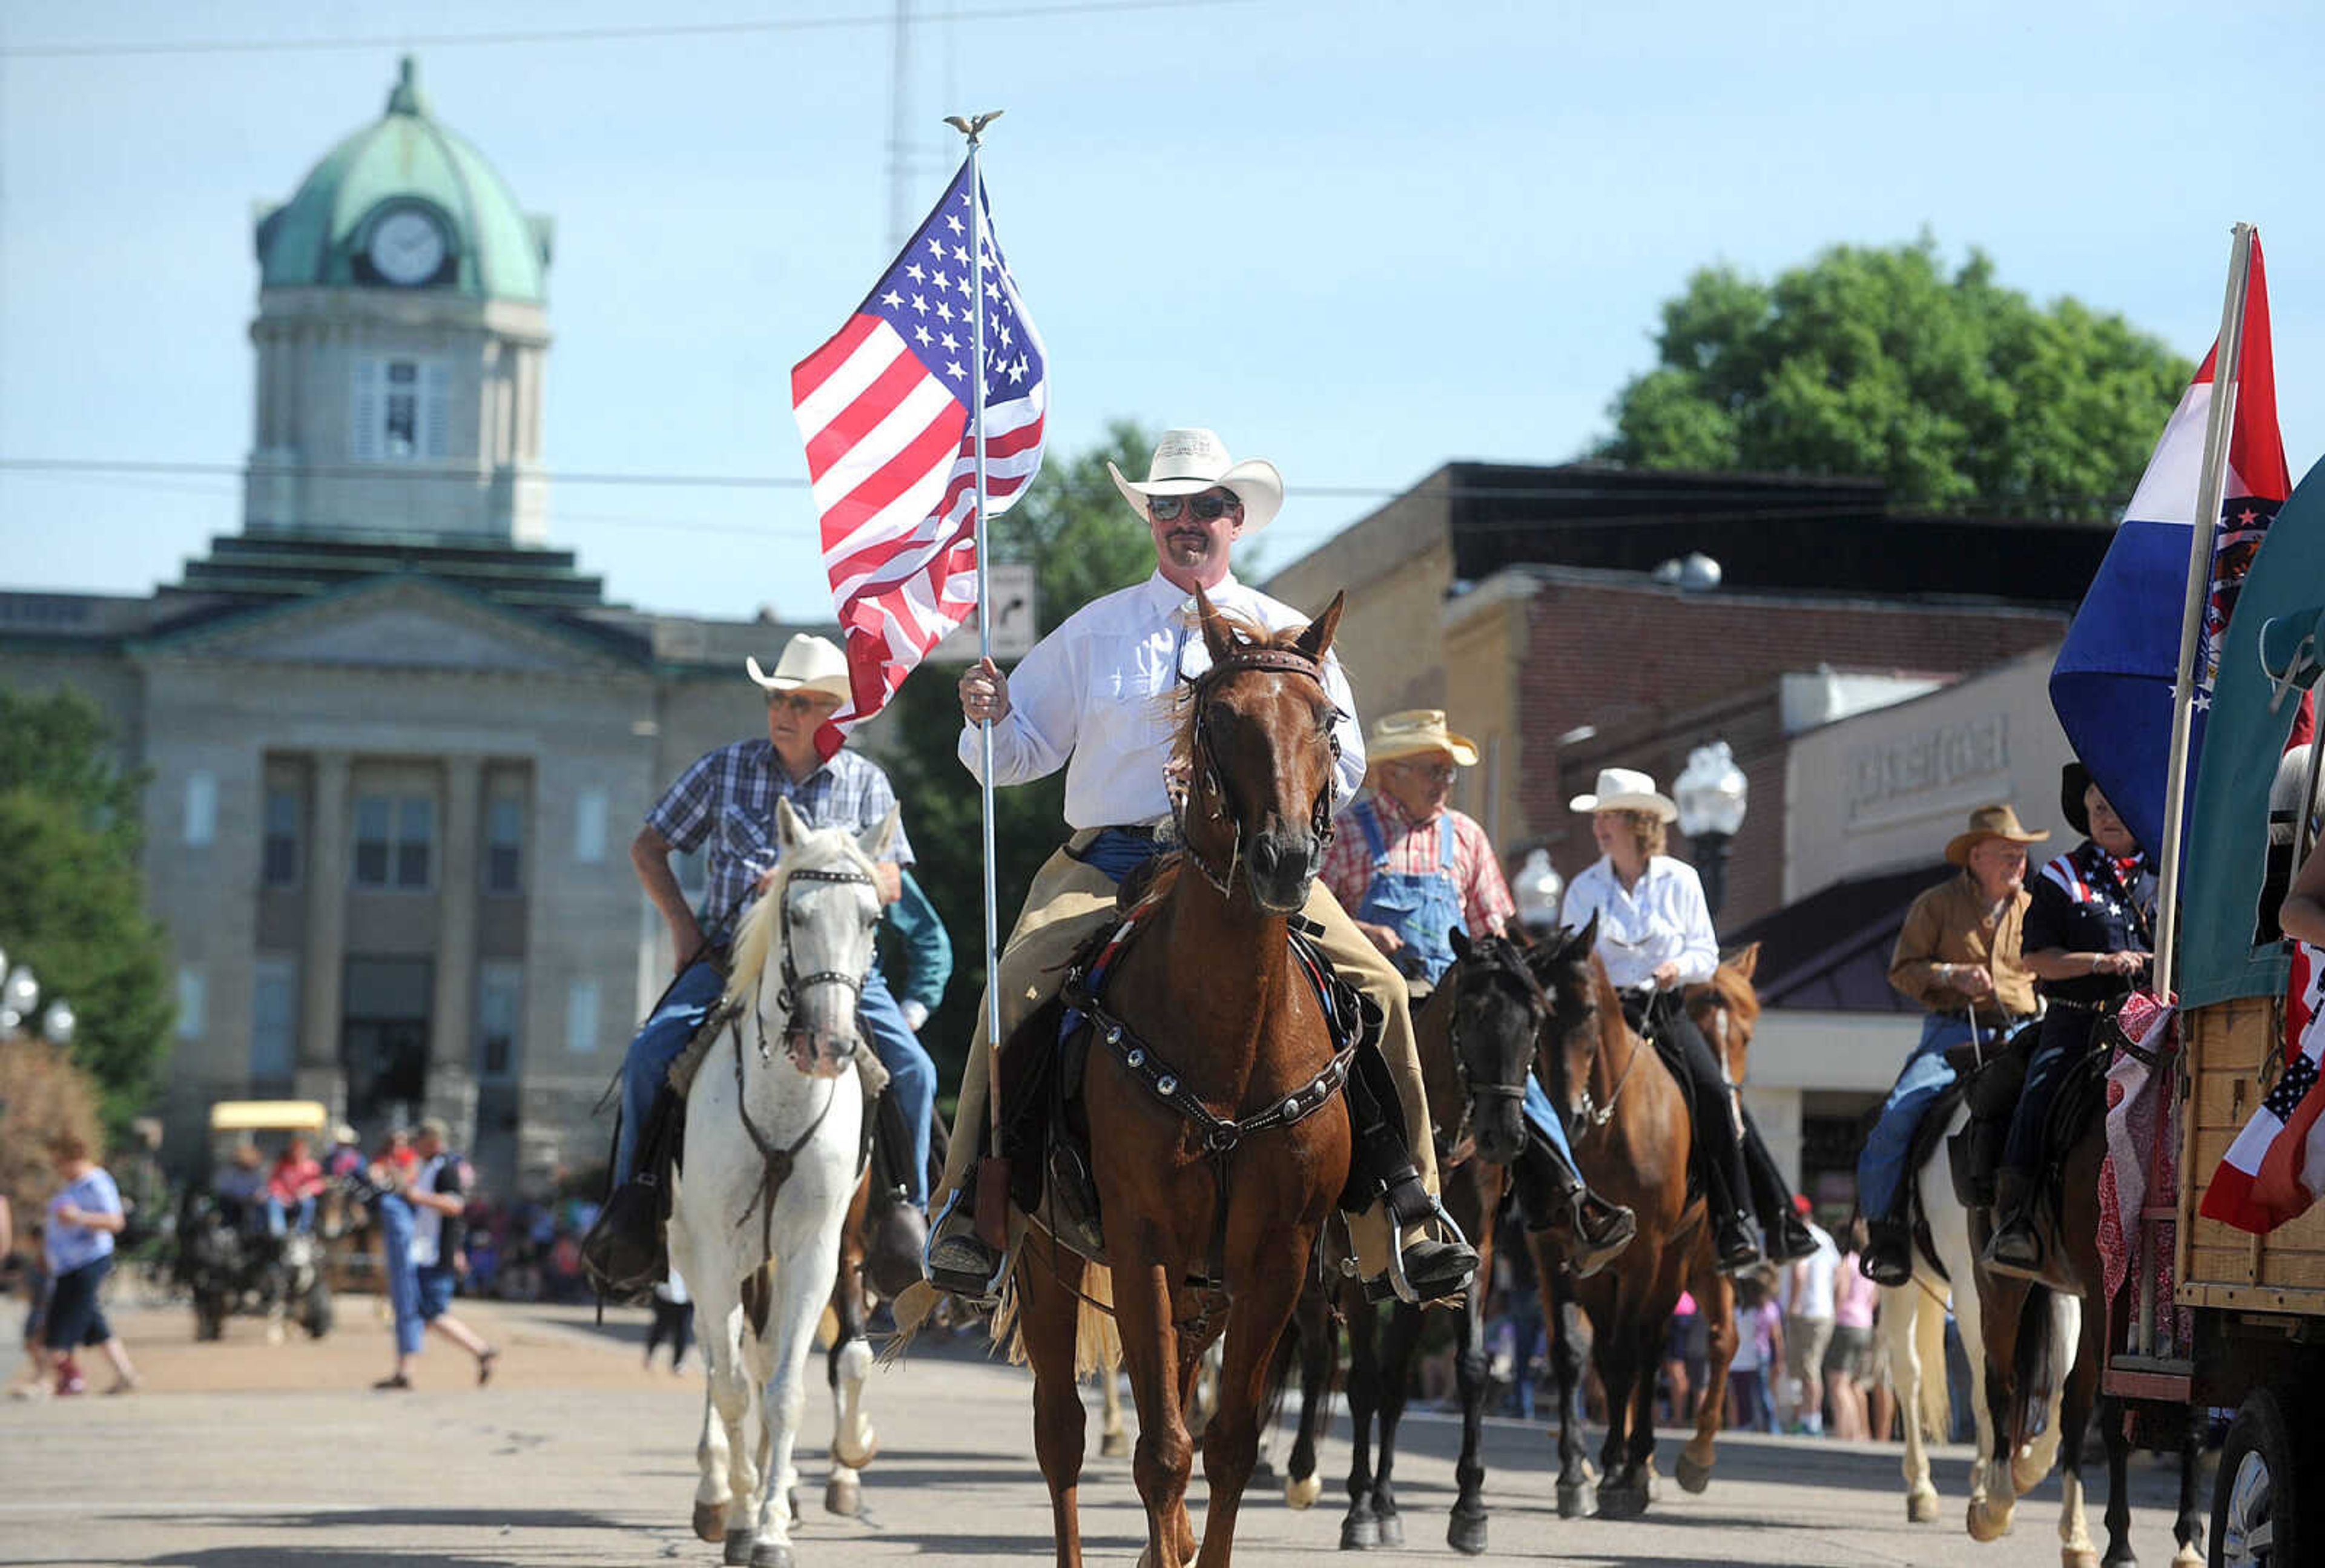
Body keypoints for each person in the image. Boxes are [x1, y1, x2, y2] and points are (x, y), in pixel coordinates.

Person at [922, 427, 1476, 1305]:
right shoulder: (1093, 632)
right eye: (1169, 505)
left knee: (1379, 985)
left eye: (1208, 505)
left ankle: (1409, 1211)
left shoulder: (1286, 636)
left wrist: (1272, 795)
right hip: (1110, 864)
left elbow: (1353, 761)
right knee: (1015, 983)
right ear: (1150, 518)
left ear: (1236, 519)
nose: (1189, 520)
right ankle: (971, 1213)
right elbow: (1016, 758)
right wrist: (988, 717)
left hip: (1249, 872)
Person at [598, 633, 934, 1267]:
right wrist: (685, 933)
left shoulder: (867, 783)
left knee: (916, 1070)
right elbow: (649, 847)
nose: (784, 712)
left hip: (837, 967)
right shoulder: (726, 768)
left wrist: (813, 875)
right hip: (730, 957)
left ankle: (902, 1210)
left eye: (802, 703)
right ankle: (633, 1208)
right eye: (778, 698)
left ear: (834, 712)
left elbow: (892, 879)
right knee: (647, 1055)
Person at [1320, 708, 1634, 1274]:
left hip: (1460, 996)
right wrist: (1363, 932)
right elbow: (1313, 918)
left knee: (1518, 1069)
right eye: (1433, 771)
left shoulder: (1464, 836)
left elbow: (1492, 928)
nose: (1446, 783)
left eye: (1449, 774)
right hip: (1369, 991)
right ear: (1390, 773)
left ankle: (1570, 1199)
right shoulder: (1346, 833)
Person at [1558, 767, 1816, 1274]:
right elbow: (1569, 955)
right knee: (1546, 1086)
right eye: (1598, 817)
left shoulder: (1682, 879)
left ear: (1637, 822)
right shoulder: (1583, 887)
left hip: (1663, 1007)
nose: (1598, 827)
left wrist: (1677, 967)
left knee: (1717, 1095)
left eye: (1608, 816)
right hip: (1602, 1014)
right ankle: (1544, 1215)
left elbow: (1705, 952)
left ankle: (1739, 1219)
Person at [1855, 803, 2045, 1285]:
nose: (2018, 863)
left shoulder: (2037, 907)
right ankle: (1887, 1233)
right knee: (1898, 1114)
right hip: (1952, 1033)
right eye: (2006, 853)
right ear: (1976, 855)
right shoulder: (1935, 905)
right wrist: (1950, 974)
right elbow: (1902, 970)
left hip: (2023, 1031)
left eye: (2021, 854)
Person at [1985, 765, 2152, 1278]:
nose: (2106, 816)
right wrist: (2101, 963)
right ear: (2084, 811)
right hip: (2078, 1023)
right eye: (2097, 806)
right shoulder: (2061, 876)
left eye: (2116, 804)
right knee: (2039, 1089)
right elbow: (2037, 960)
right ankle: (2015, 1221)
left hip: (2153, 1024)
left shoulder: (2169, 874)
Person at [375, 1118, 498, 1388]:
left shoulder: (447, 1169)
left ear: (431, 1140)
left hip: (436, 1252)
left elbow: (454, 1207)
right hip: (423, 1250)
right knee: (416, 1311)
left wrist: (416, 1197)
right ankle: (405, 1370)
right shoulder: (428, 1167)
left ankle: (481, 1350)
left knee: (431, 1312)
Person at [41, 1133, 140, 1396]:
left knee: (64, 1318)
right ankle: (125, 1372)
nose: (57, 1169)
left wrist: (79, 1217)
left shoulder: (96, 1182)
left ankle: (45, 1377)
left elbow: (115, 1221)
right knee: (92, 1321)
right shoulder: (73, 1185)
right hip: (67, 1263)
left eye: (59, 1163)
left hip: (87, 1260)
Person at [1783, 1196, 1839, 1435]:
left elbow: (1800, 1272)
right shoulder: (1825, 1238)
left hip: (1806, 1313)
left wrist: (1793, 1305)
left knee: (1808, 1370)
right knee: (1808, 1369)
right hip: (1823, 1312)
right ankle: (1807, 1418)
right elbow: (1839, 1274)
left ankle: (1811, 1421)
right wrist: (1834, 1304)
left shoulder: (1800, 1237)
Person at [1826, 1217, 1879, 1441]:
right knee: (1856, 1384)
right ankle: (1861, 1432)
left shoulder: (1847, 1263)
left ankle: (1845, 1432)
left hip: (1846, 1324)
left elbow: (1840, 1293)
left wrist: (1833, 1317)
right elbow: (1874, 1298)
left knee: (1838, 1384)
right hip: (1865, 1325)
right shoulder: (1868, 1265)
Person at [264, 1134, 325, 1237]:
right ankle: (279, 1234)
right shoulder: (282, 1165)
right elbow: (274, 1182)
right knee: (273, 1202)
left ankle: (301, 1233)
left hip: (300, 1199)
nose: (299, 1153)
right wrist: (281, 1195)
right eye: (296, 1150)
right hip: (284, 1199)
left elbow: (320, 1183)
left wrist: (308, 1190)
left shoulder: (312, 1166)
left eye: (302, 1151)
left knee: (309, 1203)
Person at [647, 1265, 693, 1373]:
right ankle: (650, 1355)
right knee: (660, 1330)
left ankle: (678, 1362)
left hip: (686, 1301)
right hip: (665, 1297)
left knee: (683, 1332)